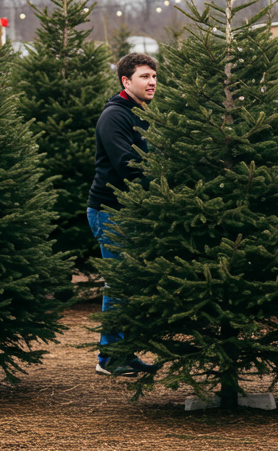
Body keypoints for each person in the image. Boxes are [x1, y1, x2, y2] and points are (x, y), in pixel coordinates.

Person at [88, 52, 161, 377]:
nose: (152, 82)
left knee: (129, 286)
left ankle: (124, 353)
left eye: (154, 77)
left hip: (133, 211)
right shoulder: (115, 116)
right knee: (118, 285)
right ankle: (109, 358)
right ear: (125, 80)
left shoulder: (142, 113)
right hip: (110, 211)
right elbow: (127, 165)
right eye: (144, 76)